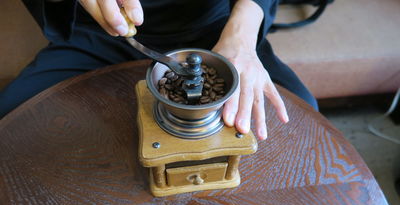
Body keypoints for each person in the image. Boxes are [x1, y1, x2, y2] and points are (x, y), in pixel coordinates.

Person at [0, 0, 318, 140]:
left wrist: (242, 34)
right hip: (102, 29)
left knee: (299, 121)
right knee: (14, 121)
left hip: (218, 30)